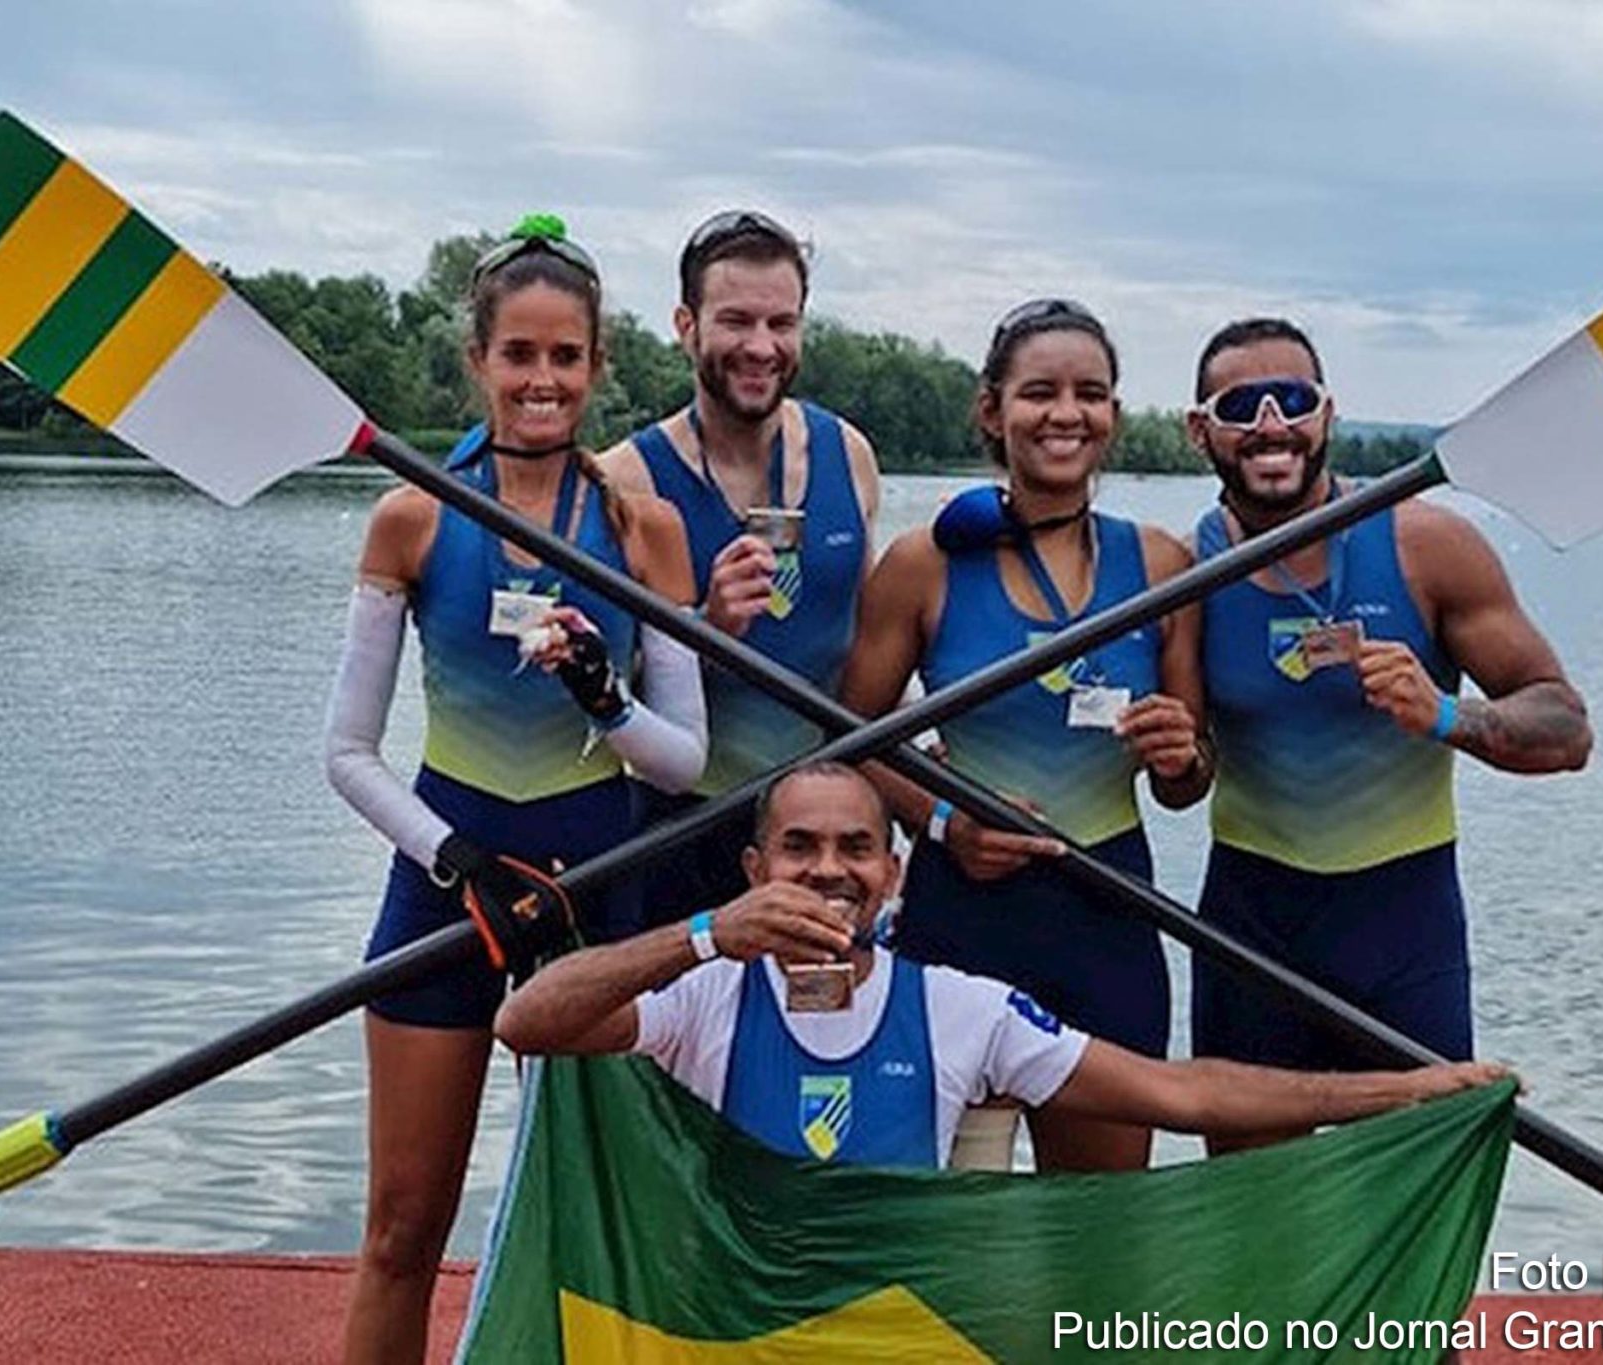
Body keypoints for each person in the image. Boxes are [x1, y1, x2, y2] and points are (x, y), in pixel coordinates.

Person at [322, 216, 706, 1365]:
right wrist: (458, 861)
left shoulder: (644, 529)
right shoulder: (412, 516)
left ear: (597, 365)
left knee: (606, 1231)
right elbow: (346, 753)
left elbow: (684, 761)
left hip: (595, 897)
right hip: (447, 898)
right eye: (519, 355)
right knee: (401, 1231)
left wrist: (604, 698)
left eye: (565, 357)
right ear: (478, 361)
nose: (543, 381)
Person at [495, 762, 1508, 1169]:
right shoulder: (706, 989)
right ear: (756, 870)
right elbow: (528, 1021)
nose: (828, 871)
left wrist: (1405, 1090)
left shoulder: (960, 1009)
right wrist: (707, 932)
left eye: (855, 848)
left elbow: (1182, 1094)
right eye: (799, 848)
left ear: (893, 875)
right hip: (739, 1325)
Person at [1185, 316, 1591, 1153]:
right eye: (1241, 406)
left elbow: (1566, 726)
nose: (1270, 425)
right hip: (1251, 926)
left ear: (1327, 413)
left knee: (1419, 1180)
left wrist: (1446, 714)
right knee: (1250, 1200)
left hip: (1403, 925)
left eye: (1291, 399)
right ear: (1201, 429)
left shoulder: (1427, 545)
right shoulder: (1181, 572)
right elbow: (1181, 777)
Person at [838, 299, 1211, 1173]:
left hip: (1107, 914)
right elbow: (846, 738)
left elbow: (1188, 783)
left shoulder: (1162, 564)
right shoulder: (925, 564)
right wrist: (943, 821)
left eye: (1091, 393)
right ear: (991, 409)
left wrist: (1181, 753)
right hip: (961, 917)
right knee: (946, 1221)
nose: (1066, 413)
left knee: (1099, 1219)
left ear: (1114, 412)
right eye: (1040, 392)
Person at [600, 210, 881, 920]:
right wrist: (705, 628)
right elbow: (594, 695)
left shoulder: (849, 453)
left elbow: (864, 657)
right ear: (686, 326)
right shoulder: (626, 479)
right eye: (736, 321)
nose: (761, 346)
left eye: (781, 323)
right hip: (678, 827)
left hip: (821, 835)